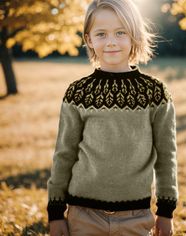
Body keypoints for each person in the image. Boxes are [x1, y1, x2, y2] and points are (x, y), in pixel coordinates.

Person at [46, 0, 179, 235]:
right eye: (101, 34)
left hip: (136, 215)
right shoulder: (78, 93)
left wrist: (166, 211)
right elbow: (64, 153)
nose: (111, 41)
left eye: (121, 32)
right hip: (83, 213)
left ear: (134, 36)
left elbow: (167, 155)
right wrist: (56, 212)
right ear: (88, 39)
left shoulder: (155, 93)